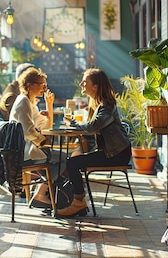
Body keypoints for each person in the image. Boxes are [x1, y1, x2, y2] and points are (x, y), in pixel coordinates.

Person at [56, 68, 131, 217]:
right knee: (74, 160)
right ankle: (76, 200)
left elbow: (92, 127)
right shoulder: (99, 104)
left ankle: (78, 202)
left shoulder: (107, 105)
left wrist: (74, 124)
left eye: (85, 81)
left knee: (72, 163)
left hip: (117, 154)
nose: (81, 83)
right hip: (112, 152)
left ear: (95, 87)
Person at [9, 67, 57, 207]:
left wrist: (49, 105)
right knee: (62, 159)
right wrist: (43, 141)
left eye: (45, 84)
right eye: (41, 84)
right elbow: (28, 131)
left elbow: (47, 127)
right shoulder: (23, 101)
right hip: (22, 153)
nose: (44, 87)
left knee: (60, 158)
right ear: (29, 85)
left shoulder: (30, 103)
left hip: (27, 150)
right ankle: (40, 195)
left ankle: (41, 194)